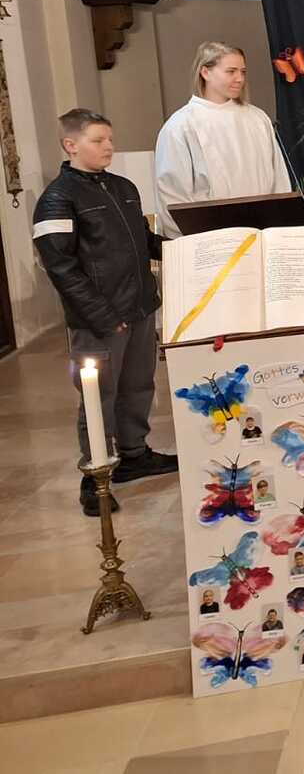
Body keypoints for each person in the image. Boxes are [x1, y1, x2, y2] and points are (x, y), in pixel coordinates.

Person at [33, 109, 177, 517]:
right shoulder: (57, 199)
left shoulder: (123, 188)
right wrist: (102, 316)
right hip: (99, 318)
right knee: (99, 396)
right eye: (98, 140)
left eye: (110, 139)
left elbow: (143, 241)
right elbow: (61, 267)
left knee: (138, 385)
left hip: (139, 307)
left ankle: (134, 454)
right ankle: (94, 474)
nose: (109, 147)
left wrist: (188, 252)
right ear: (71, 145)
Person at [154, 41, 291, 238]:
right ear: (205, 72)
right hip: (211, 239)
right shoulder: (182, 125)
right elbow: (172, 195)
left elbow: (279, 180)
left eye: (243, 72)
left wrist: (280, 228)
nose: (239, 78)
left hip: (263, 233)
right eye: (231, 71)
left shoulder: (257, 118)